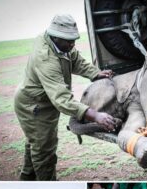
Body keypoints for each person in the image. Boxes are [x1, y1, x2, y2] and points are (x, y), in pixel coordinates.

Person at [14, 14, 116, 180]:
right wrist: (95, 115)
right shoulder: (45, 57)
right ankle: (47, 183)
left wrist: (95, 73)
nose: (72, 44)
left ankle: (27, 178)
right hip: (34, 107)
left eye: (74, 39)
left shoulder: (61, 44)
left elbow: (76, 60)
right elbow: (62, 99)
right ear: (55, 36)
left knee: (35, 142)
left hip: (44, 102)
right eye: (68, 41)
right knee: (44, 149)